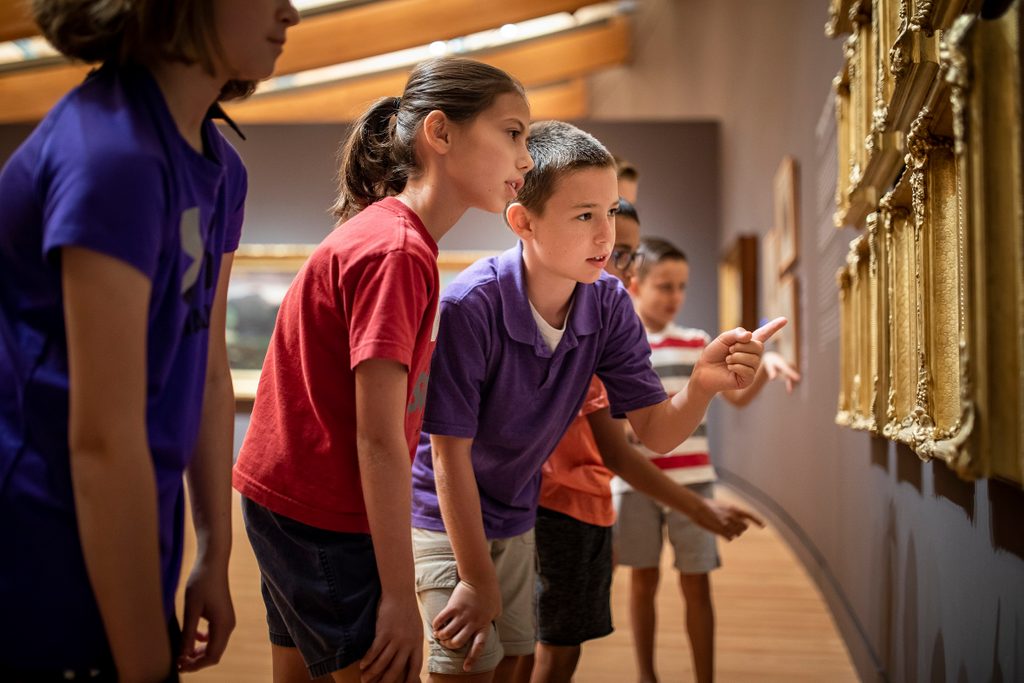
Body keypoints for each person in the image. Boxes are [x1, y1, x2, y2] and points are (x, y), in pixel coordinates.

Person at [409, 120, 785, 683]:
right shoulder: (472, 305)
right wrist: (475, 578)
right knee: (464, 669)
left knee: (513, 662)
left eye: (610, 212)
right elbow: (447, 455)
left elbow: (655, 432)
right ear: (522, 219)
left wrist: (702, 385)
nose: (606, 237)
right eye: (584, 215)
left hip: (515, 513)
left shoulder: (607, 302)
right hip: (446, 516)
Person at [0, 1, 299, 681]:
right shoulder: (111, 156)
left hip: (126, 547)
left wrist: (213, 549)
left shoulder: (221, 168)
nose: (290, 12)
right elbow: (102, 441)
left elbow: (207, 367)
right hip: (38, 557)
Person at [232, 57, 534, 683]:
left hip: (291, 499)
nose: (525, 160)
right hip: (323, 512)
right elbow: (378, 436)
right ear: (441, 133)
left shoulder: (395, 238)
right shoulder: (396, 251)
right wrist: (399, 598)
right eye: (512, 133)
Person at [521, 200, 764, 683]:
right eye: (617, 254)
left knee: (551, 642)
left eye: (625, 252)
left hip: (625, 492)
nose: (619, 267)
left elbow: (653, 427)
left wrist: (745, 374)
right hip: (574, 498)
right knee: (543, 641)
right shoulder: (596, 333)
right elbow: (622, 444)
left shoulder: (666, 337)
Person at [613, 236, 800, 683]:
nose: (675, 297)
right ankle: (646, 674)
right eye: (665, 286)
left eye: (681, 287)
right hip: (637, 484)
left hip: (695, 481)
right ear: (636, 284)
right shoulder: (622, 344)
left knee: (697, 581)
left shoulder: (698, 342)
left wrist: (763, 369)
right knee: (642, 581)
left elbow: (734, 395)